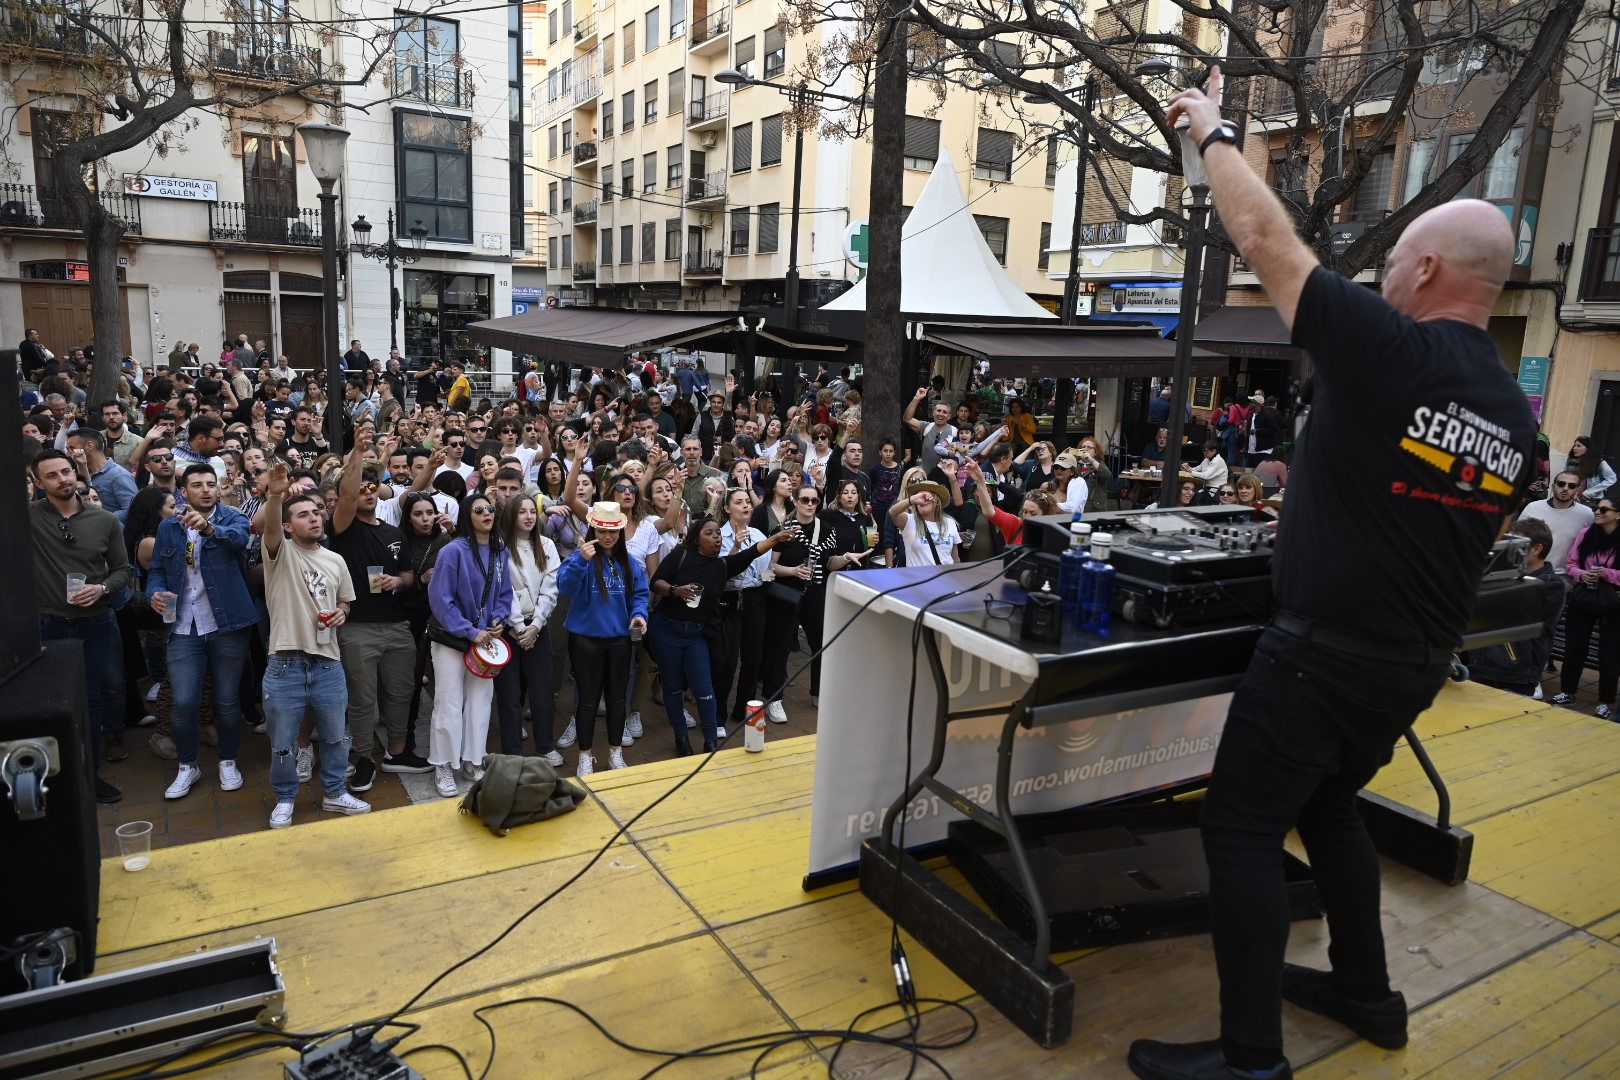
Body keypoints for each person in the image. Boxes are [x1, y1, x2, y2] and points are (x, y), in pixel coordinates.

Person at [1127, 68, 1535, 1080]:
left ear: (1429, 270)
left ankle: (1253, 1057)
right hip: (1410, 664)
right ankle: (1365, 990)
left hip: (1322, 660)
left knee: (1240, 826)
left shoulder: (1394, 351)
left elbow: (1268, 244)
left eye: (1395, 262)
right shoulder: (1516, 421)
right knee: (1331, 806)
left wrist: (1217, 132)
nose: (1385, 277)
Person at [258, 462, 370, 829]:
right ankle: (286, 798)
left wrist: (340, 612)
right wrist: (275, 495)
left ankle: (336, 793)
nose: (314, 519)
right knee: (283, 742)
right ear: (289, 526)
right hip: (285, 663)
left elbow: (345, 602)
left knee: (336, 738)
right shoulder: (279, 552)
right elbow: (270, 525)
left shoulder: (336, 559)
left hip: (327, 662)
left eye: (317, 513)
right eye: (303, 515)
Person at [147, 464, 255, 801]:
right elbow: (157, 570)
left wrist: (208, 528)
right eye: (197, 485)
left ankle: (227, 760)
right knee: (184, 701)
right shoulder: (168, 527)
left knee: (226, 700)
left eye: (211, 484)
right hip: (183, 625)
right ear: (183, 491)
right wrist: (155, 591)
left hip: (227, 624)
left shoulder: (232, 517)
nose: (206, 490)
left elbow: (239, 539)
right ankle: (188, 765)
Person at [31, 449, 132, 804]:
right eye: (52, 475)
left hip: (96, 621)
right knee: (55, 702)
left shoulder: (103, 520)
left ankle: (89, 776)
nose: (63, 480)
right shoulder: (27, 518)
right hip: (49, 624)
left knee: (95, 697)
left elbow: (123, 569)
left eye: (66, 471)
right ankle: (59, 775)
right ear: (38, 482)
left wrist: (102, 588)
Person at [329, 434, 428, 789]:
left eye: (374, 486)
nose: (367, 492)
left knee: (402, 693)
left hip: (397, 624)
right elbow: (346, 495)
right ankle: (363, 757)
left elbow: (407, 573)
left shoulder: (392, 531)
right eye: (361, 487)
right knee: (362, 700)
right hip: (358, 627)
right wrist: (356, 453)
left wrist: (397, 583)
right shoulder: (342, 527)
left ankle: (397, 753)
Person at [649, 516, 794, 753]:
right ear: (696, 539)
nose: (716, 537)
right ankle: (681, 738)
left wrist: (776, 538)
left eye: (718, 533)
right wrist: (676, 591)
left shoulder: (721, 567)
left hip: (696, 634)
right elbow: (656, 582)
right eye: (709, 533)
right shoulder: (681, 555)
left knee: (704, 687)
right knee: (673, 687)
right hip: (666, 631)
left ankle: (710, 740)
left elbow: (753, 552)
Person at [425, 492, 512, 797]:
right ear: (467, 516)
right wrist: (468, 630)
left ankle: (473, 760)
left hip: (485, 639)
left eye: (490, 508)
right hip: (453, 639)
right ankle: (443, 764)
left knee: (481, 698)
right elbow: (440, 599)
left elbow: (504, 594)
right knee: (448, 700)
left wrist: (499, 619)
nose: (487, 513)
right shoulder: (453, 551)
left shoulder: (501, 550)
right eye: (479, 510)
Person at [556, 501, 649, 776]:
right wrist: (581, 560)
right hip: (585, 639)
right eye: (602, 530)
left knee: (618, 699)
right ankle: (585, 755)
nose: (608, 537)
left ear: (620, 532)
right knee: (587, 699)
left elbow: (640, 595)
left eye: (613, 531)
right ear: (593, 528)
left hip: (619, 640)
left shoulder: (629, 562)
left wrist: (639, 615)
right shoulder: (580, 557)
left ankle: (615, 752)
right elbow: (565, 586)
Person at [1463, 518, 1564, 697]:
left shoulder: (1550, 584)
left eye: (1515, 544)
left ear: (1536, 549)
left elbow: (1516, 614)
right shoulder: (1504, 575)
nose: (1508, 549)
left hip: (1517, 673)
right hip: (1482, 665)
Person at [494, 494, 560, 761]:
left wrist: (536, 625)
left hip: (538, 627)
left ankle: (545, 746)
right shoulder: (499, 547)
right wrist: (519, 627)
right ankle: (512, 752)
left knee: (543, 691)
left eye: (532, 511)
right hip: (509, 631)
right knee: (509, 695)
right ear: (511, 515)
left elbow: (551, 587)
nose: (529, 516)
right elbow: (502, 590)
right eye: (522, 512)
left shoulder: (546, 545)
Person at [1552, 498, 1620, 718]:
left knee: (1609, 653)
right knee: (1575, 647)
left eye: (1603, 509)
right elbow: (1571, 564)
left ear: (1617, 515)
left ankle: (1606, 701)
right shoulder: (1586, 534)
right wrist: (1582, 574)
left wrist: (1606, 574)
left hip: (1613, 601)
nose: (1597, 512)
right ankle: (1567, 692)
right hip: (1583, 596)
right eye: (1596, 508)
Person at [1515, 470, 1594, 577]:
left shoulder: (1587, 514)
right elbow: (1516, 538)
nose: (1565, 488)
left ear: (1577, 490)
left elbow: (1589, 548)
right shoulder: (1533, 507)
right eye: (1561, 484)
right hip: (1528, 572)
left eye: (1571, 486)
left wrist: (1576, 576)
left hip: (1563, 575)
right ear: (1553, 486)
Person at [901, 388, 957, 472]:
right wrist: (916, 398)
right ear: (933, 413)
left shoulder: (954, 431)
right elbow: (907, 419)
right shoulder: (926, 427)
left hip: (945, 479)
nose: (941, 414)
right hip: (925, 477)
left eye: (944, 412)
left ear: (949, 416)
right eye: (938, 410)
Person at [1566, 435, 1615, 504]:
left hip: (1592, 501)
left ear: (1588, 448)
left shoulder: (1599, 463)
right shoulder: (1570, 461)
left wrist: (1588, 492)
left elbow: (1612, 478)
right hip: (1572, 499)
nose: (1574, 448)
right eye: (1574, 445)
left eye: (1579, 446)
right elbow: (1566, 477)